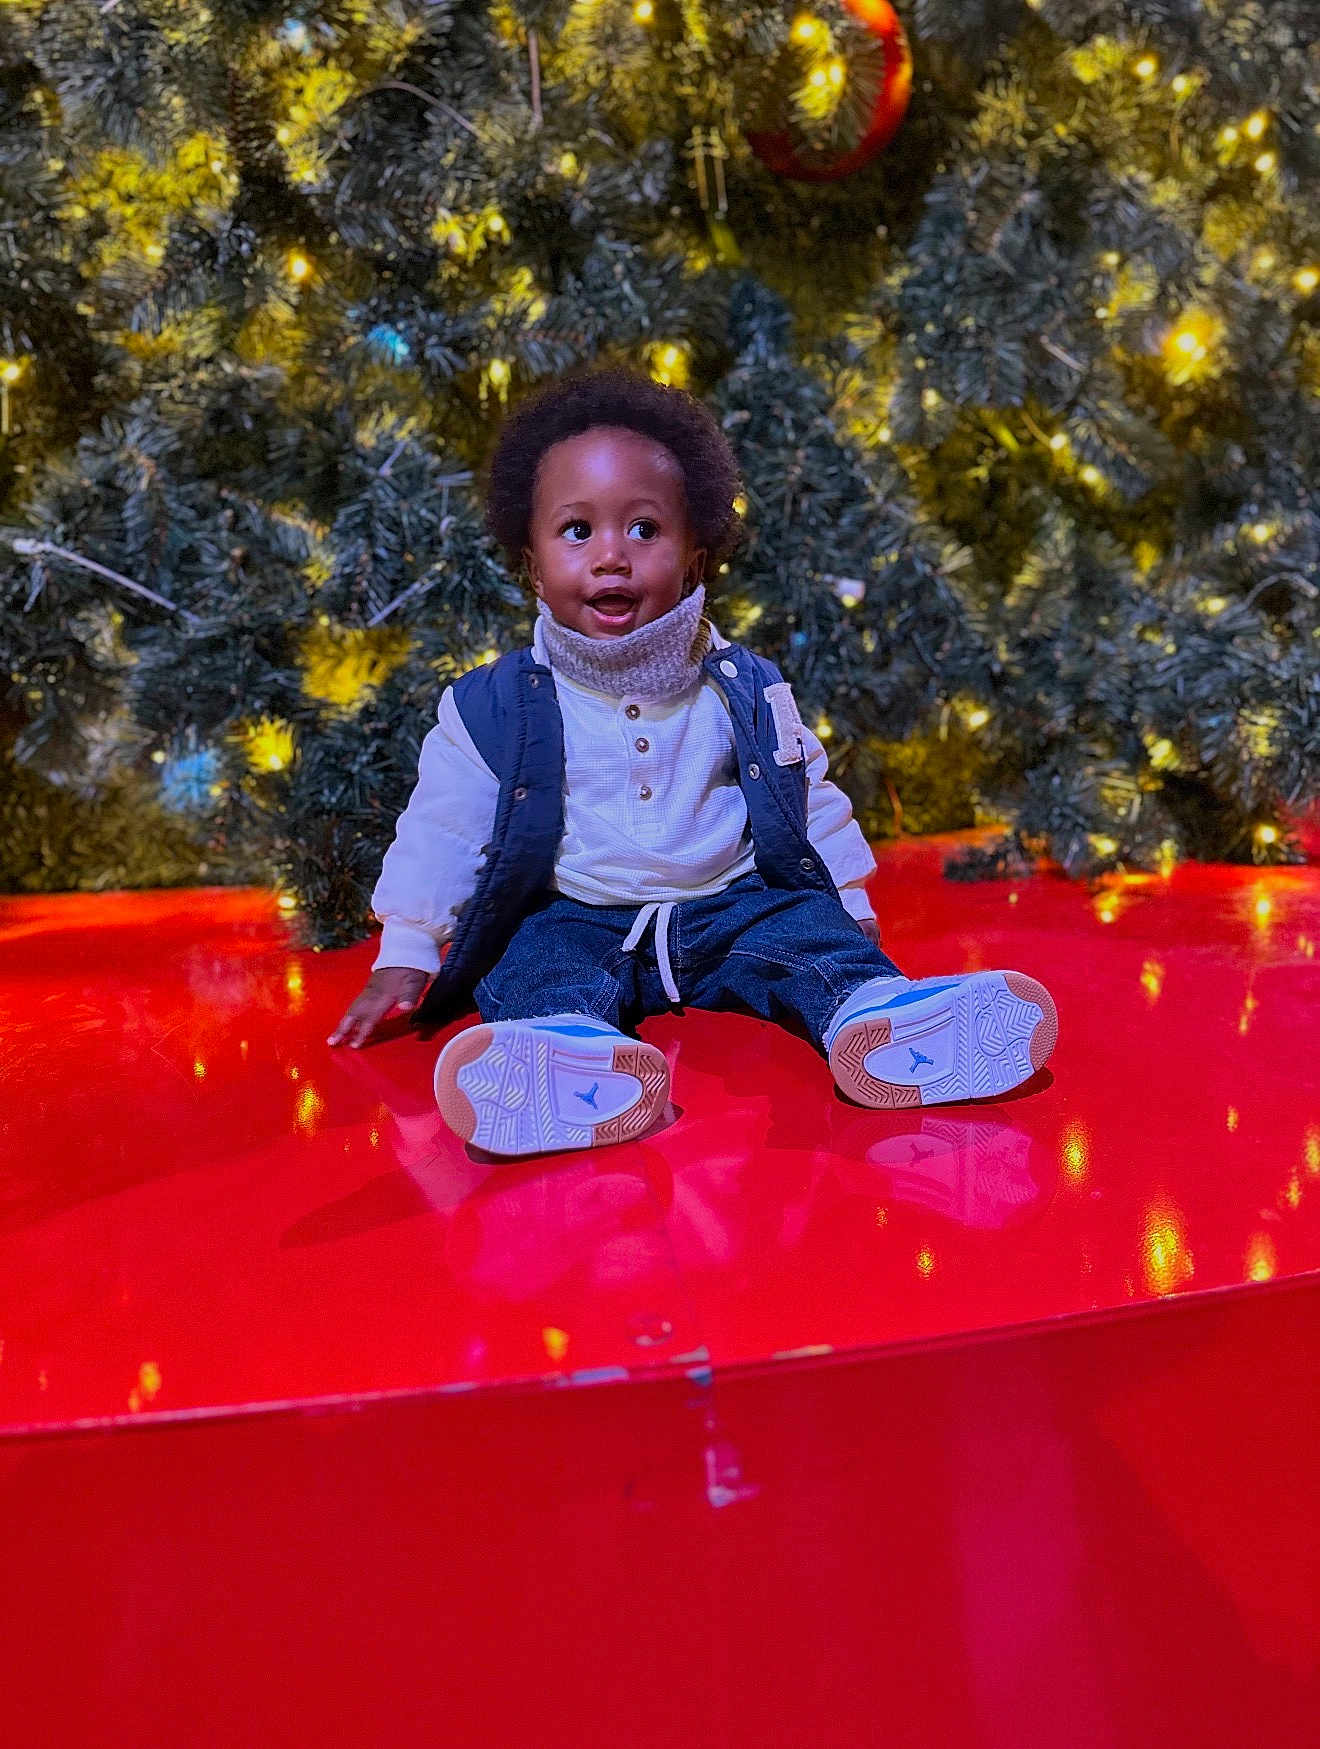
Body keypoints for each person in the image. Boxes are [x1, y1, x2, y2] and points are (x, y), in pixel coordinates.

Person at [328, 367, 1057, 1157]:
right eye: (578, 531)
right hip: (580, 910)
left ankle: (875, 1016)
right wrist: (406, 947)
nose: (611, 557)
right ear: (533, 563)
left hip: (727, 902)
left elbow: (806, 791)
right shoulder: (494, 703)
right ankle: (567, 1058)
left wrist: (845, 898)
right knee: (533, 961)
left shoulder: (739, 685)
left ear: (695, 559)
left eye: (644, 529)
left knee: (807, 939)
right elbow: (443, 823)